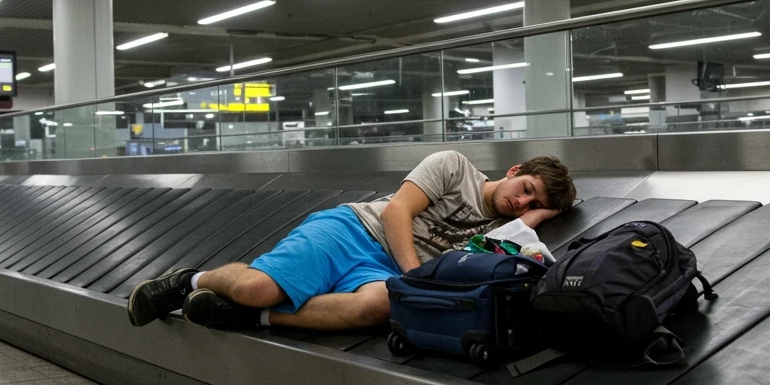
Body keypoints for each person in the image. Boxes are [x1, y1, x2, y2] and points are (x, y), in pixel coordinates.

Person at [127, 150, 576, 331]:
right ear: (515, 171)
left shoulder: (500, 230)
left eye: (533, 203)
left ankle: (255, 319)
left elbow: (508, 242)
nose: (522, 202)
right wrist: (411, 274)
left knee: (378, 306)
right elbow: (399, 210)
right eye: (527, 190)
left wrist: (536, 216)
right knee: (256, 286)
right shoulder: (453, 166)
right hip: (353, 231)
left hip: (379, 270)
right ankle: (189, 280)